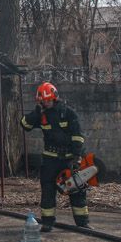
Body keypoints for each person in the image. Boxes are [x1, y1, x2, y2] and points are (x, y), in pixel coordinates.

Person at [20, 81, 89, 231]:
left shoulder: (68, 113)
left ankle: (82, 223)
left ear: (54, 98)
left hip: (69, 159)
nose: (46, 103)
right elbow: (25, 125)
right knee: (48, 191)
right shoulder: (41, 114)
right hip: (50, 160)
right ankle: (47, 223)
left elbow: (78, 136)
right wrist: (35, 113)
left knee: (77, 190)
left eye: (48, 100)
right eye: (43, 101)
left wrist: (77, 158)